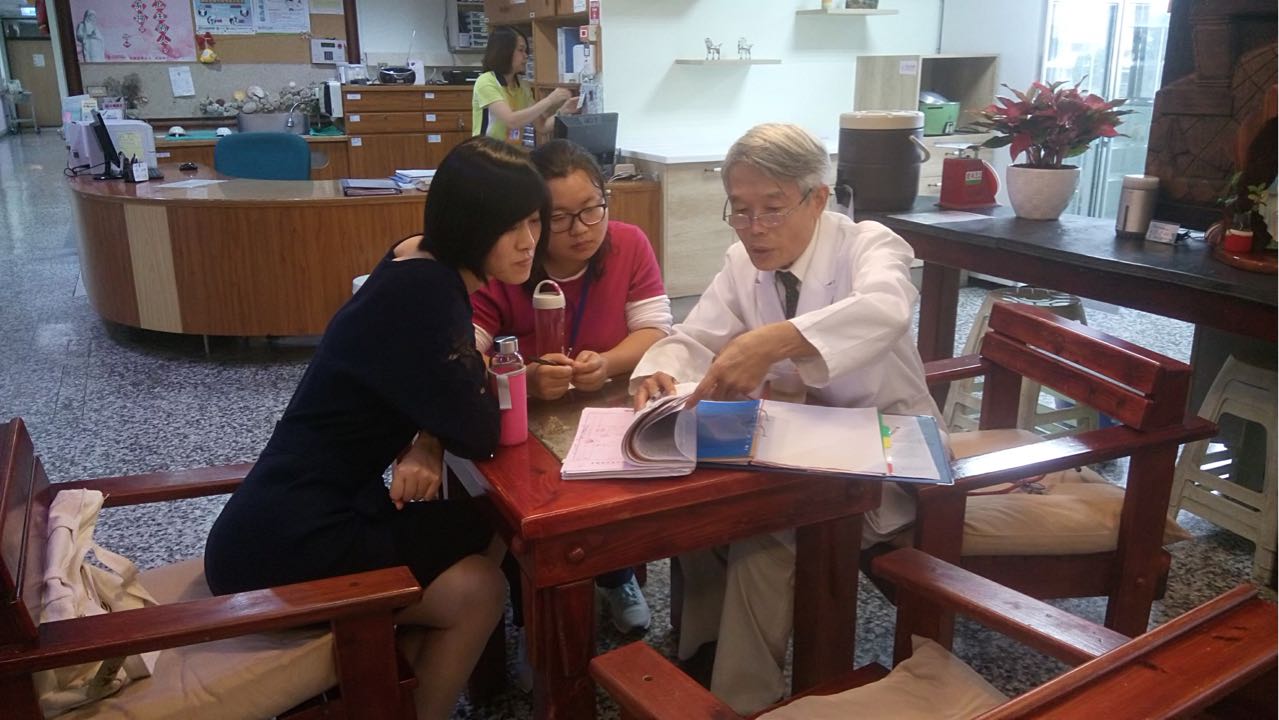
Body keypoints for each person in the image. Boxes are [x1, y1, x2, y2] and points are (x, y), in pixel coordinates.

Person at [204, 136, 549, 720]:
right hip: (289, 544)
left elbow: (436, 388)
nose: (528, 241)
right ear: (468, 223)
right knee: (487, 556)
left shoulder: (413, 255)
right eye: (508, 225)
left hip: (281, 515)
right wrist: (456, 412)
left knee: (477, 546)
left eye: (534, 220)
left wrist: (432, 431)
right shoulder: (429, 297)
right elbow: (479, 431)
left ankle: (388, 695)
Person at [629, 123, 940, 715]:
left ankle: (739, 700)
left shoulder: (868, 245)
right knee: (697, 513)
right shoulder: (741, 262)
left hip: (885, 458)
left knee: (764, 531)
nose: (754, 227)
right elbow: (698, 336)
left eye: (772, 208)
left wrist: (775, 341)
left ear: (817, 198)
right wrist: (660, 368)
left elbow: (886, 308)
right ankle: (703, 653)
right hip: (795, 449)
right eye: (740, 210)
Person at [470, 138, 672, 686]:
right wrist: (526, 377)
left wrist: (606, 364)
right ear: (532, 221)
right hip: (522, 416)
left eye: (592, 210)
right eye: (559, 219)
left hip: (607, 405)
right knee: (531, 509)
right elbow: (465, 352)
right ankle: (532, 613)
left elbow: (655, 328)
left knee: (618, 488)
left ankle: (616, 577)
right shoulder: (509, 261)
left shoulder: (627, 244)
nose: (582, 229)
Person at [472, 26, 575, 145]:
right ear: (504, 52)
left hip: (512, 152)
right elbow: (512, 121)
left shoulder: (522, 85)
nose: (526, 56)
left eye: (526, 51)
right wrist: (550, 100)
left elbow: (542, 126)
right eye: (520, 50)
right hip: (486, 152)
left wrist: (563, 111)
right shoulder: (486, 81)